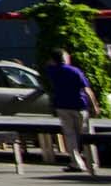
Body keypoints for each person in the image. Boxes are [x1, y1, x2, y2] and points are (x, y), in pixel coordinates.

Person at [42, 48, 100, 176]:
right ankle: (92, 162)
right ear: (64, 58)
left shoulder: (52, 71)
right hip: (79, 105)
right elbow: (86, 90)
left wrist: (53, 59)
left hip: (62, 106)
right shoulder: (75, 71)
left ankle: (76, 163)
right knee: (86, 135)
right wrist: (94, 105)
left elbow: (48, 64)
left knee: (70, 136)